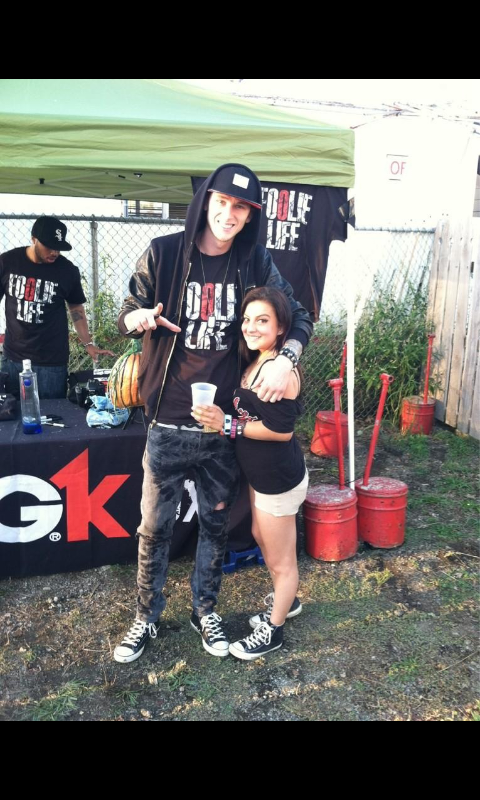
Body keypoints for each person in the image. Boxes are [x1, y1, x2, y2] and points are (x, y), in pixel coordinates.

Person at [113, 163, 312, 664]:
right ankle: (146, 616)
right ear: (205, 201)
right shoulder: (162, 252)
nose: (229, 214)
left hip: (222, 425)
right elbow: (125, 312)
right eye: (222, 202)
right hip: (166, 419)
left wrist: (286, 358)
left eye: (240, 207)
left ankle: (205, 611)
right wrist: (139, 318)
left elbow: (299, 316)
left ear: (250, 215)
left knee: (215, 525)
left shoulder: (254, 260)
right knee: (154, 527)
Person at [193, 286, 308, 660]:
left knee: (281, 561)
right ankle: (287, 601)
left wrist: (226, 424)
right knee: (261, 535)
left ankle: (273, 630)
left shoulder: (279, 373)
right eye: (247, 319)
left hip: (277, 478)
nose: (251, 327)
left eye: (262, 320)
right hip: (260, 476)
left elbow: (281, 431)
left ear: (281, 328)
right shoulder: (258, 359)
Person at [0, 216, 114, 399]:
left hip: (51, 363)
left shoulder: (67, 271)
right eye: (49, 246)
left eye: (58, 248)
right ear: (34, 239)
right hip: (14, 359)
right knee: (13, 412)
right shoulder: (8, 262)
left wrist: (88, 344)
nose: (54, 252)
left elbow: (76, 309)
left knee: (54, 412)